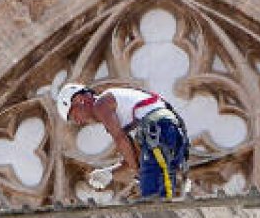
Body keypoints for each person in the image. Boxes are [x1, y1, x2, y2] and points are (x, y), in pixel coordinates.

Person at [56, 83, 189, 199]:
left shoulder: (101, 104)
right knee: (159, 185)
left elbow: (121, 139)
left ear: (80, 100)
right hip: (164, 134)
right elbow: (132, 155)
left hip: (160, 131)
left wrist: (139, 173)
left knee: (154, 192)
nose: (79, 122)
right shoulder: (123, 115)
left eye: (74, 116)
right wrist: (109, 172)